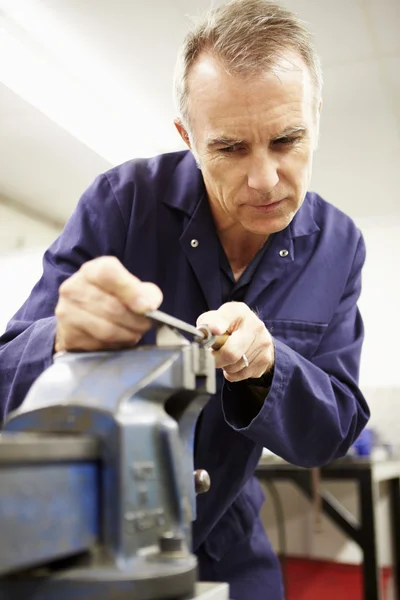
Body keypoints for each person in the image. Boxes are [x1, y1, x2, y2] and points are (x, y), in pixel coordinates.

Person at [0, 0, 370, 598]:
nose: (264, 179)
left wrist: (268, 369)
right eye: (229, 148)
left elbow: (331, 430)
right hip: (96, 534)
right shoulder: (121, 205)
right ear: (187, 137)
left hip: (227, 531)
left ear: (316, 118)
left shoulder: (339, 246)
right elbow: (4, 383)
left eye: (286, 139)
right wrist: (60, 340)